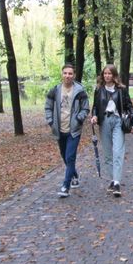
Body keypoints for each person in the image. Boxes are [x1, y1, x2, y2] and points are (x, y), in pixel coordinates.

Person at [90, 64, 133, 197]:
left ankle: (116, 182)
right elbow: (95, 107)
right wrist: (94, 116)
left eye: (109, 73)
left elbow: (129, 106)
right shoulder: (99, 89)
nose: (107, 76)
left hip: (118, 121)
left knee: (118, 151)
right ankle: (112, 179)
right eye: (105, 73)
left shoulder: (121, 90)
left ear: (114, 75)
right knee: (107, 154)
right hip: (104, 121)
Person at [45, 63, 90, 198]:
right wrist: (50, 121)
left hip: (74, 130)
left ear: (74, 75)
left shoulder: (80, 91)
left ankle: (65, 186)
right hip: (59, 130)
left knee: (70, 157)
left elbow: (85, 108)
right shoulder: (55, 90)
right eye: (65, 73)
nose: (67, 76)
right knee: (65, 156)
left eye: (70, 73)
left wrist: (79, 119)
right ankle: (74, 175)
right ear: (62, 74)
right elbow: (48, 107)